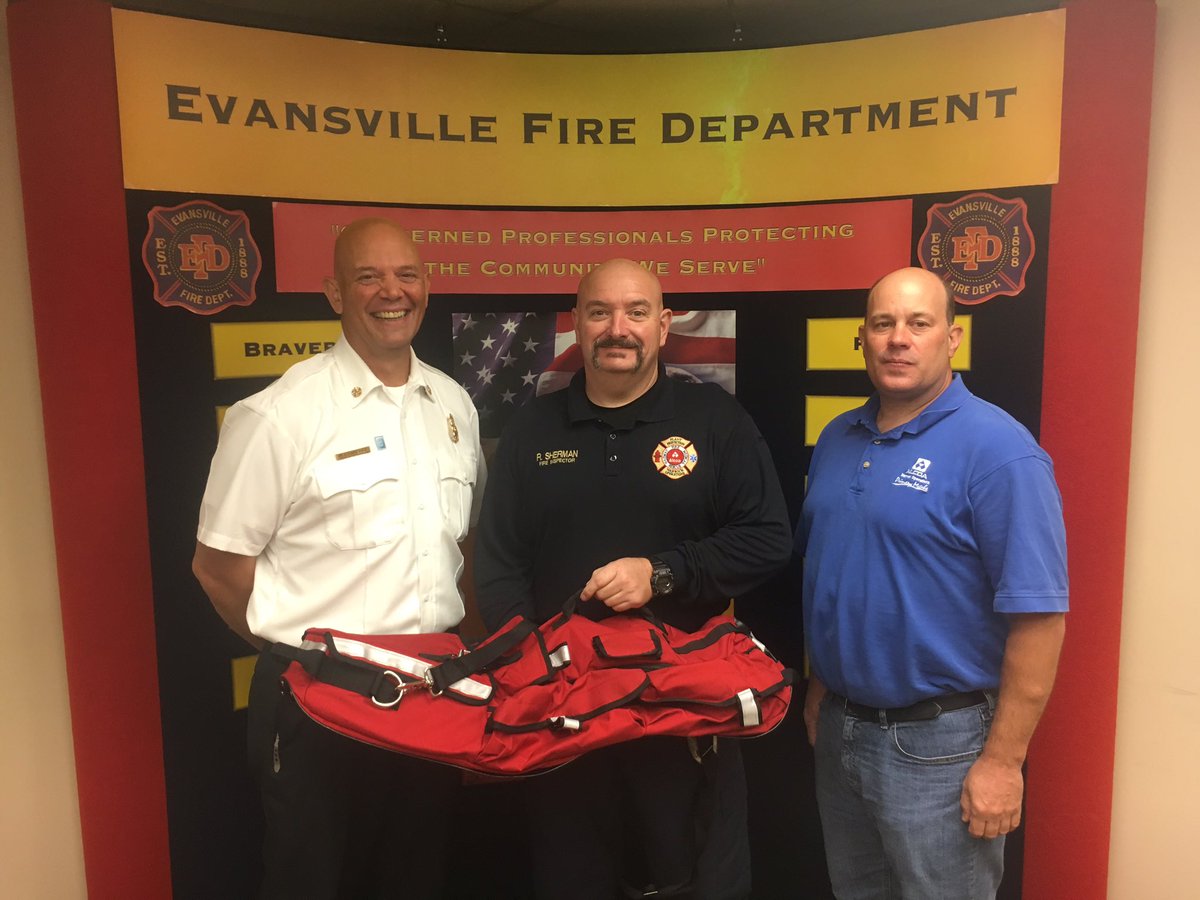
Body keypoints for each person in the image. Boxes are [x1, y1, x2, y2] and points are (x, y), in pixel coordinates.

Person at [474, 258, 792, 899]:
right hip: (565, 717)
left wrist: (665, 573)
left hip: (681, 717)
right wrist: (531, 667)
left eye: (637, 312)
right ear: (577, 325)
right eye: (600, 312)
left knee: (690, 883)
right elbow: (498, 564)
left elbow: (767, 540)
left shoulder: (715, 420)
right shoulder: (532, 429)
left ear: (665, 325)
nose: (618, 328)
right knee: (572, 881)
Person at [192, 218, 485, 898]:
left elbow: (461, 548)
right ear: (333, 292)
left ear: (427, 286)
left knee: (417, 878)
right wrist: (305, 657)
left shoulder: (453, 404)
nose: (392, 291)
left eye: (406, 275)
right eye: (368, 276)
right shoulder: (279, 415)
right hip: (319, 699)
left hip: (427, 694)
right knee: (313, 883)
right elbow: (217, 567)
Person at [796, 266, 1068, 899]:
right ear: (861, 339)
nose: (899, 338)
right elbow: (831, 574)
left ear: (952, 337)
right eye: (883, 323)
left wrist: (1003, 762)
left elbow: (1040, 616)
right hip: (841, 729)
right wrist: (819, 689)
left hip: (940, 747)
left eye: (919, 323)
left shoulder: (1000, 450)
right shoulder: (838, 437)